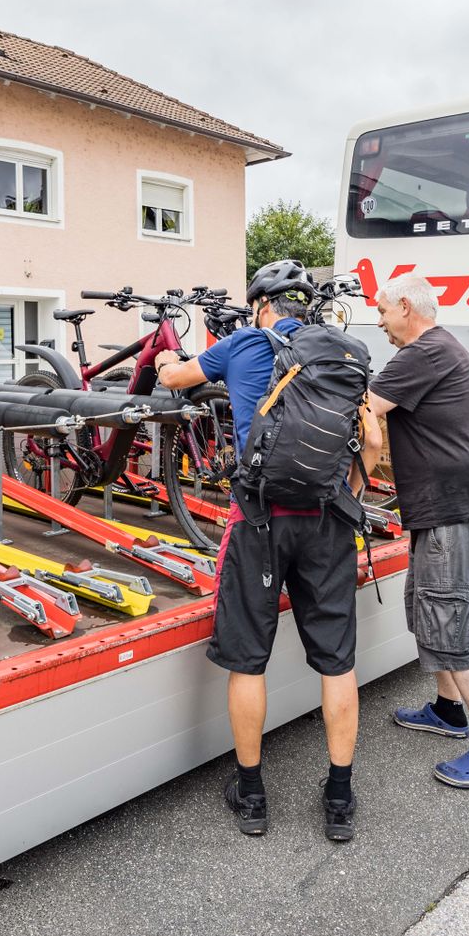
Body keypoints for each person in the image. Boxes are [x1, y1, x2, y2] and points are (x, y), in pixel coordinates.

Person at [155, 259, 378, 841]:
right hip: (327, 520)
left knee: (247, 658)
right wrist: (348, 495)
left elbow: (175, 379)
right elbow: (371, 440)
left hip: (258, 519)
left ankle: (251, 795)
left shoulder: (246, 342)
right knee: (337, 661)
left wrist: (162, 357)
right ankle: (339, 797)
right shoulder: (342, 353)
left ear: (261, 305)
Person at [366, 273, 469, 787]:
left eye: (383, 312)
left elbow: (366, 408)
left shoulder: (424, 353)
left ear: (405, 306)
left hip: (453, 509)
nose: (380, 322)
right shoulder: (438, 348)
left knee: (449, 626)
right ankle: (448, 711)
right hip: (445, 508)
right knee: (428, 611)